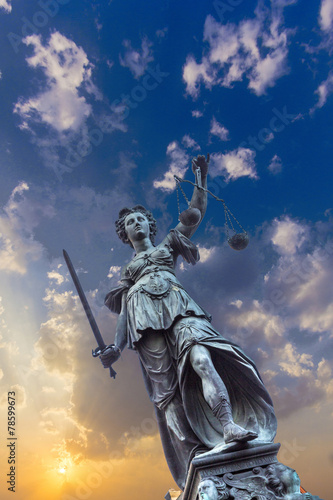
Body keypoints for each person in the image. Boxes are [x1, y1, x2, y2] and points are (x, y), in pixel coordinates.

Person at [101, 155, 277, 490]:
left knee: (202, 357)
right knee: (167, 395)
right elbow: (124, 312)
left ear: (150, 226)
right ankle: (193, 455)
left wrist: (201, 178)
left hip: (181, 308)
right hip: (144, 323)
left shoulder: (169, 243)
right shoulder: (127, 274)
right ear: (124, 234)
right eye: (129, 223)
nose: (136, 223)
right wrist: (116, 347)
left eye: (141, 219)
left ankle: (228, 426)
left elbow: (196, 210)